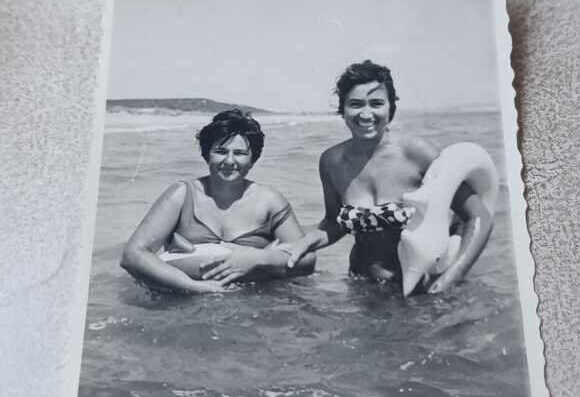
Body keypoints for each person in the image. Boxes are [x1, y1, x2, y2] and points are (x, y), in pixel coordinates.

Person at [285, 60, 493, 291]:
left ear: (390, 108)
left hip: (419, 286)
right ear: (342, 109)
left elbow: (478, 216)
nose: (366, 114)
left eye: (376, 104)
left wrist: (450, 278)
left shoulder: (418, 154)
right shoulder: (332, 161)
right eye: (355, 104)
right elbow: (334, 223)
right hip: (361, 284)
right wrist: (304, 243)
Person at [120, 109, 315, 293]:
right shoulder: (182, 195)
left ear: (253, 159)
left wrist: (258, 257)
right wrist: (192, 286)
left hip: (255, 302)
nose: (229, 161)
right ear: (207, 155)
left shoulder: (270, 201)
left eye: (239, 153)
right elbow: (133, 255)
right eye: (221, 151)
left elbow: (307, 260)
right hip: (184, 300)